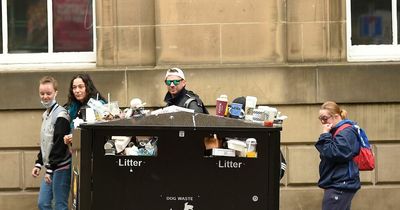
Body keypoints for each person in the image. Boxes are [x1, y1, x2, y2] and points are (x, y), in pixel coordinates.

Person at [32, 76, 71, 210]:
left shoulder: (61, 115)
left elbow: (60, 144)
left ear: (56, 93)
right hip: (51, 166)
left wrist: (49, 169)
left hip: (61, 167)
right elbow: (45, 142)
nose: (45, 96)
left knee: (60, 205)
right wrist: (38, 163)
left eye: (48, 93)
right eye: (42, 93)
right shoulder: (45, 115)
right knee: (43, 203)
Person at [315, 101, 361, 210]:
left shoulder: (346, 132)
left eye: (325, 118)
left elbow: (334, 154)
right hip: (338, 182)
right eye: (320, 118)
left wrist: (325, 135)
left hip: (340, 184)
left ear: (336, 116)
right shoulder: (337, 131)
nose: (323, 122)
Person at [63, 73, 106, 145]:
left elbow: (96, 131)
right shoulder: (72, 107)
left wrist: (77, 137)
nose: (77, 90)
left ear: (88, 87)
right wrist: (68, 138)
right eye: (74, 87)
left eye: (81, 87)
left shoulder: (97, 105)